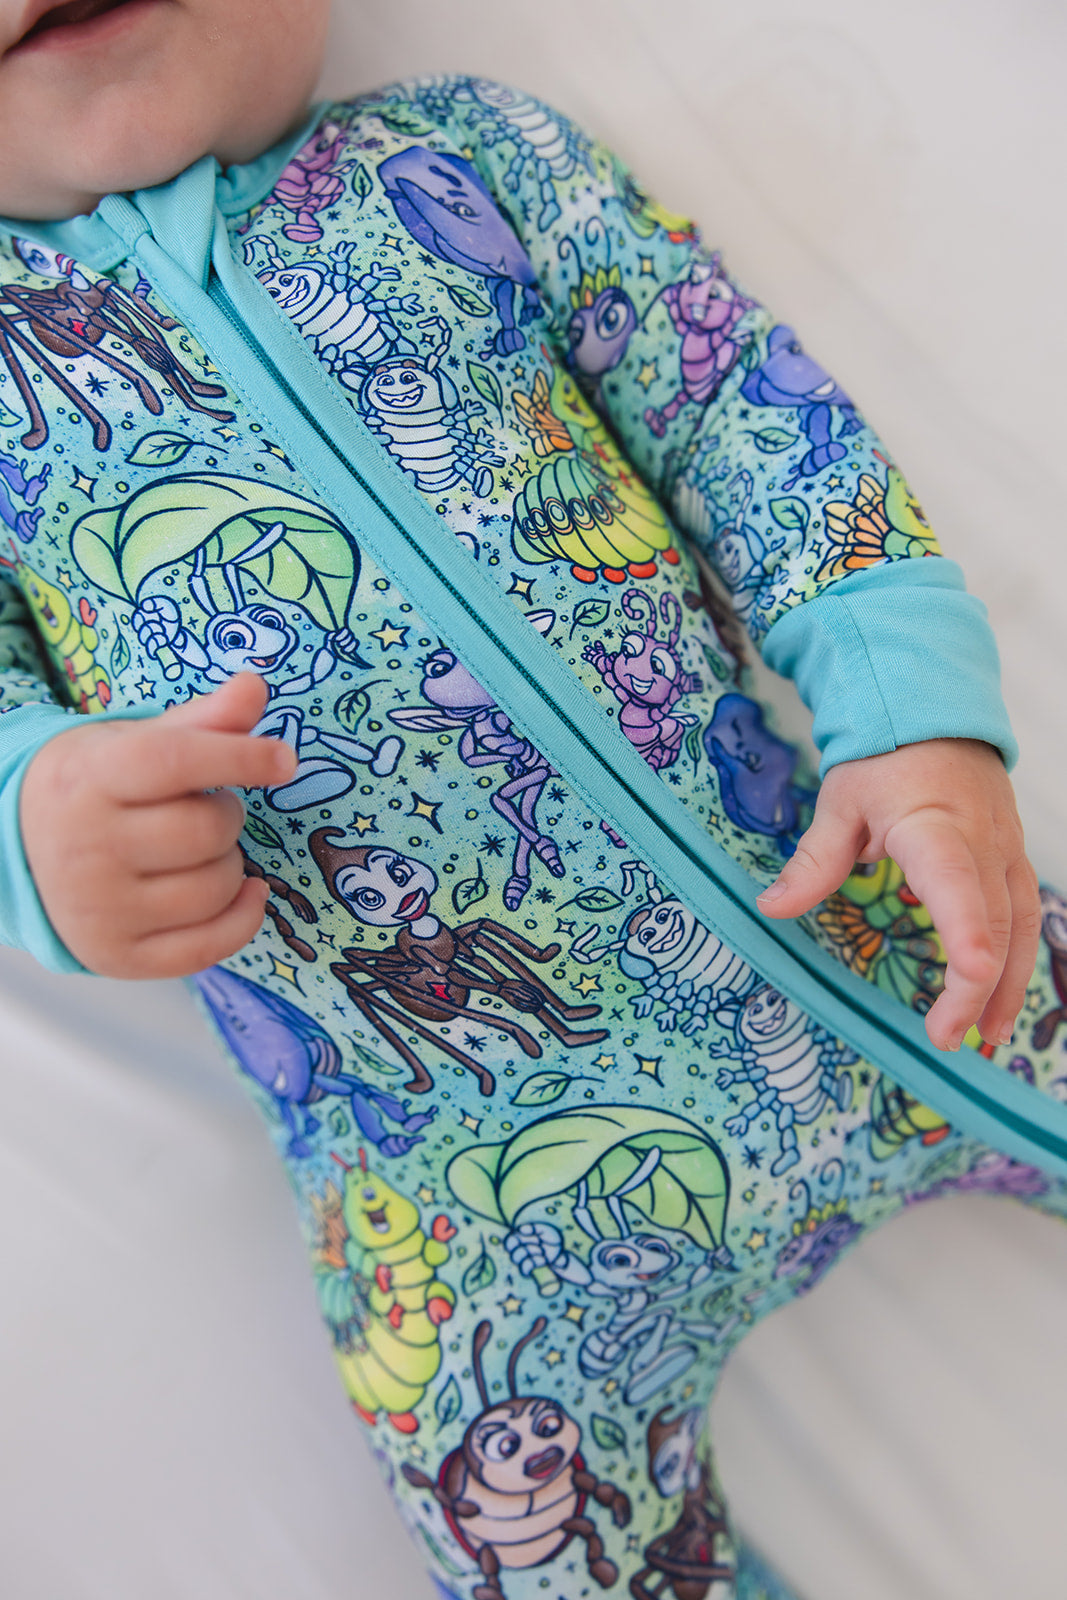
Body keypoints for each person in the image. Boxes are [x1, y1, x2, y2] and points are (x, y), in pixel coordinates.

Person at [0, 4, 1062, 1597]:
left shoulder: (467, 158)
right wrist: (32, 822)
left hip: (893, 936)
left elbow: (741, 406)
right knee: (529, 1548)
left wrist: (910, 717)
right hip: (469, 1215)